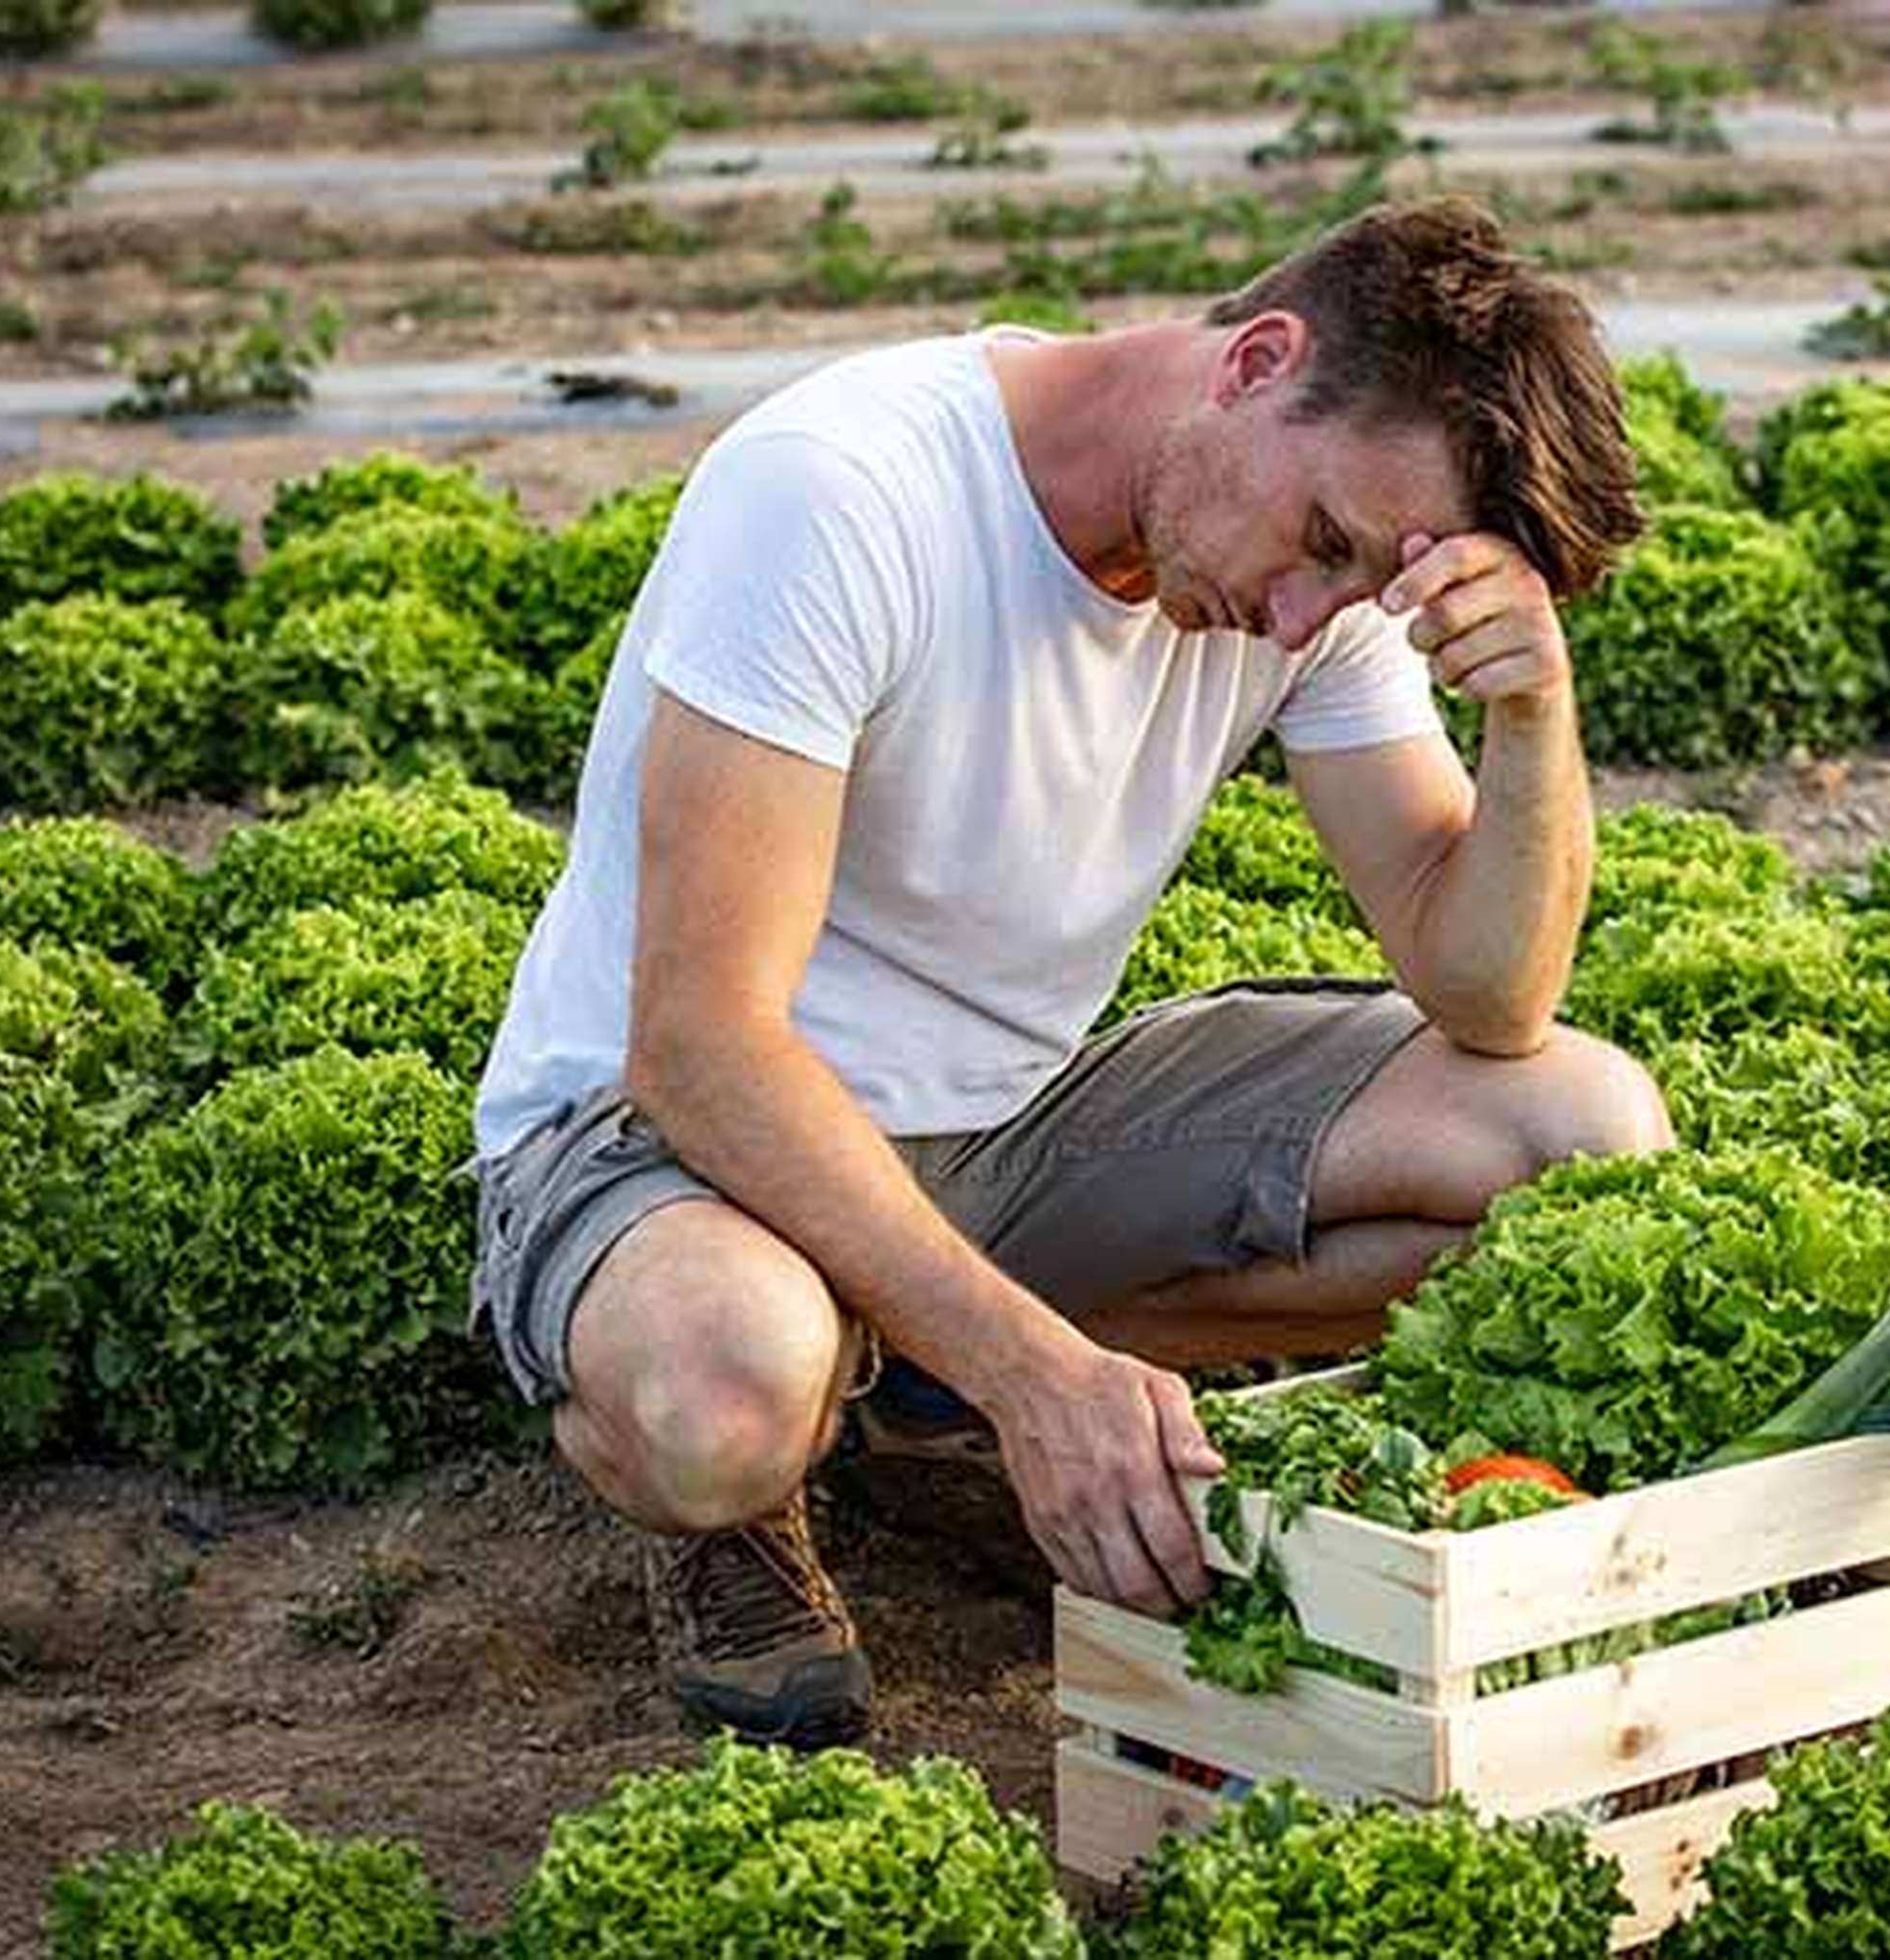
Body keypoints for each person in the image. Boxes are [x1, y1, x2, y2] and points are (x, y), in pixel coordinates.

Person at [468, 196, 1671, 1750]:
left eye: (1364, 582)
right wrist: (1042, 1375)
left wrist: (1532, 715)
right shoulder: (840, 493)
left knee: (1579, 1138)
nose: (1307, 616)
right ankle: (779, 1479)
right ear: (1257, 360)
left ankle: (914, 1384)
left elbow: (1491, 995)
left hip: (1009, 1120)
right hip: (675, 1145)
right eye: (1320, 546)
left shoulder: (1316, 593)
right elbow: (700, 1046)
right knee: (729, 1398)